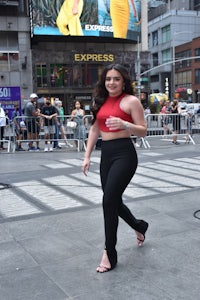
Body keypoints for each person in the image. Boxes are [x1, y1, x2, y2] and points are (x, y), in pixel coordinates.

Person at [82, 64, 148, 273]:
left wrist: (125, 124)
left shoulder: (131, 101)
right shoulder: (100, 101)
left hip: (125, 154)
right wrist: (87, 156)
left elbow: (144, 132)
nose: (112, 82)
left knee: (108, 200)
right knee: (113, 201)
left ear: (124, 81)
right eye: (108, 78)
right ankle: (139, 226)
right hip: (107, 155)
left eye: (116, 79)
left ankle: (109, 253)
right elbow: (94, 129)